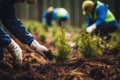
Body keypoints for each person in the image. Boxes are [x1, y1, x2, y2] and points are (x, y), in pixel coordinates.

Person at [0, 0, 53, 65]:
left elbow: (10, 21)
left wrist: (35, 45)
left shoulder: (8, 2)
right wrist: (9, 42)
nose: (20, 2)